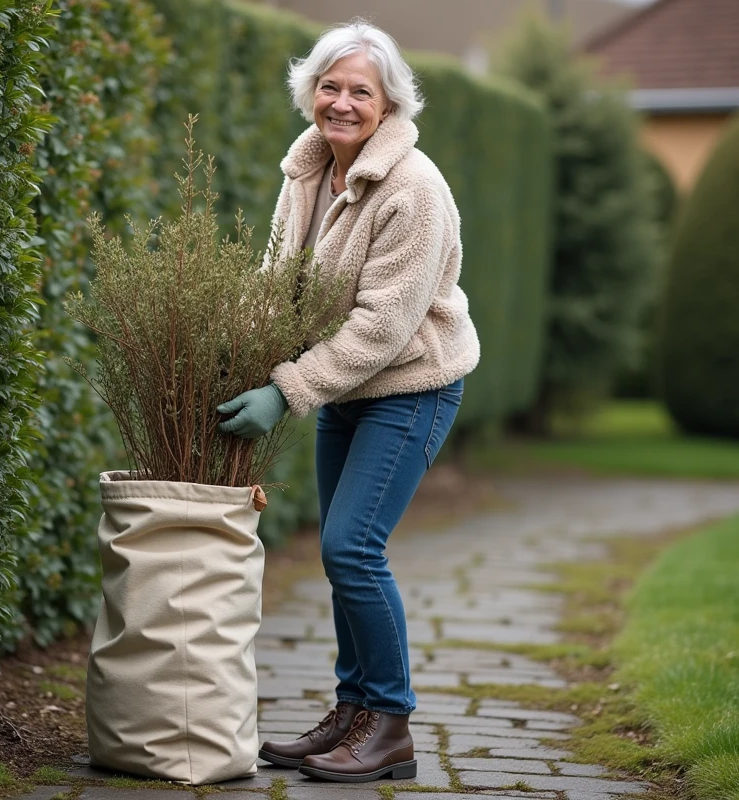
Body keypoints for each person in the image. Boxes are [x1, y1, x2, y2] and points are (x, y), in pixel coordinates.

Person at [216, 19, 480, 784]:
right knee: (344, 552)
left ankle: (390, 722)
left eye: (359, 90)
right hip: (348, 385)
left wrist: (285, 390)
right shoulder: (306, 173)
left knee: (350, 549)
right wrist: (233, 353)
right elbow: (276, 283)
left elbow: (382, 326)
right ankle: (351, 712)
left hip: (411, 385)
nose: (341, 102)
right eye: (329, 86)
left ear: (388, 102)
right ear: (310, 93)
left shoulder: (415, 189)